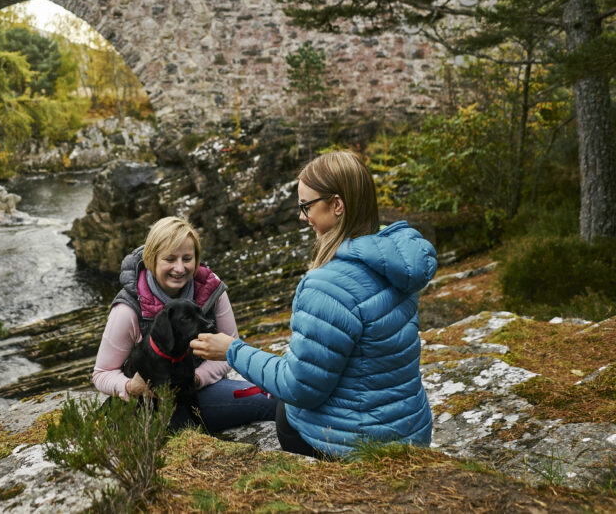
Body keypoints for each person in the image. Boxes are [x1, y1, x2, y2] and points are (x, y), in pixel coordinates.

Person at [191, 150, 436, 458]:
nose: (301, 216)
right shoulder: (395, 262)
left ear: (337, 205)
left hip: (356, 446)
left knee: (284, 408)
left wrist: (231, 350)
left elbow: (299, 388)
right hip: (411, 432)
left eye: (306, 206)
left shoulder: (326, 285)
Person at [92, 216, 278, 431]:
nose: (179, 268)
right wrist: (129, 386)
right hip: (150, 405)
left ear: (197, 259)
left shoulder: (211, 289)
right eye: (170, 259)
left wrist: (197, 379)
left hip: (202, 392)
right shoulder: (128, 309)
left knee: (274, 401)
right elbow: (102, 373)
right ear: (152, 259)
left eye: (187, 258)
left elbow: (231, 348)